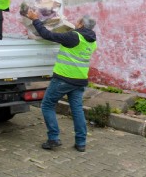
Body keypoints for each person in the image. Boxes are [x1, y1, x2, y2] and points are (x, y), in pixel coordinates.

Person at [26, 10, 98, 152]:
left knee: (47, 105)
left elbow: (47, 35)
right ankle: (81, 143)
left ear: (81, 24)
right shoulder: (92, 41)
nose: (75, 23)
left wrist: (35, 19)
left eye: (77, 21)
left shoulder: (74, 36)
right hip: (79, 80)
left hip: (64, 79)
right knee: (77, 110)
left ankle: (53, 138)